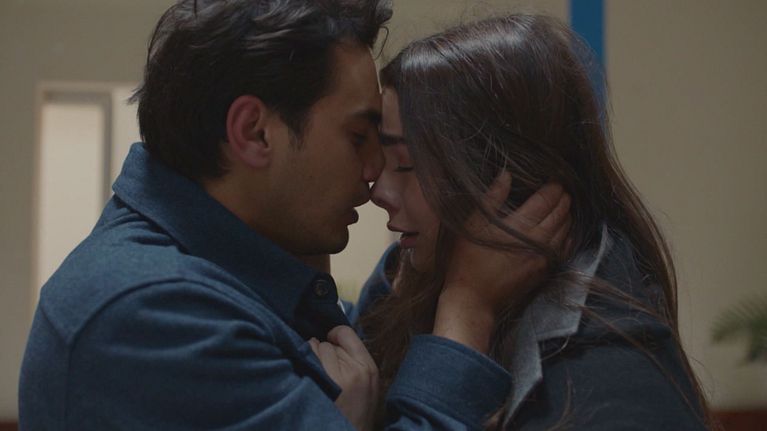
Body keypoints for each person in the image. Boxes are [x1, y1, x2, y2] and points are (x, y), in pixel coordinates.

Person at [19, 2, 569, 430]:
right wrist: (467, 308)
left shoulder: (233, 269)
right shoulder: (149, 315)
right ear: (255, 132)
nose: (374, 173)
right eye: (358, 137)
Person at [354, 14, 714, 430]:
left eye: (405, 163)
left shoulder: (609, 389)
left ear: (507, 177)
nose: (378, 191)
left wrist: (466, 304)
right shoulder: (411, 278)